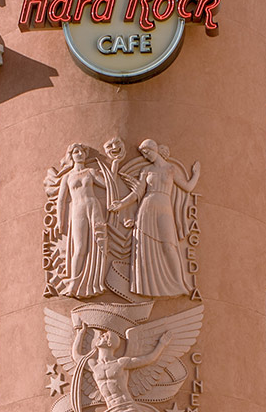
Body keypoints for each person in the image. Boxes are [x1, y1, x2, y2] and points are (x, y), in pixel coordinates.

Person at [109, 139, 200, 297]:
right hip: (147, 208)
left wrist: (196, 173)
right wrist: (121, 204)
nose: (146, 156)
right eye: (143, 154)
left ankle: (180, 284)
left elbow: (187, 187)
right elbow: (138, 192)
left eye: (147, 152)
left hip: (164, 208)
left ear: (154, 149)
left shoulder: (170, 169)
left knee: (169, 246)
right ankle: (148, 287)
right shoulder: (146, 170)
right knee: (144, 248)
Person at [70, 325, 172, 412]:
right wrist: (80, 333)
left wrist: (161, 344)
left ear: (109, 343)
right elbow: (76, 356)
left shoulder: (120, 363)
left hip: (128, 407)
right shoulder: (94, 365)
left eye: (105, 336)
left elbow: (148, 359)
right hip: (112, 408)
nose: (101, 336)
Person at [55, 143, 109, 297]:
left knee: (97, 243)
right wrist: (60, 221)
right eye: (76, 152)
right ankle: (74, 282)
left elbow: (107, 185)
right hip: (77, 209)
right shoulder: (67, 177)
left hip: (93, 206)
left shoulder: (90, 172)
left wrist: (111, 169)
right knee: (79, 247)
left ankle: (94, 281)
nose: (79, 154)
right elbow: (61, 200)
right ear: (71, 156)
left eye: (82, 151)